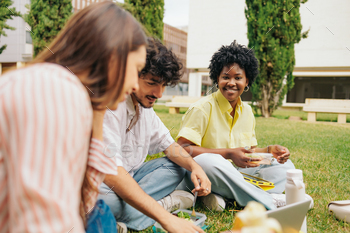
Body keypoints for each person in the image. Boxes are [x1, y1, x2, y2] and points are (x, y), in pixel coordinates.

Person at [0, 2, 146, 232]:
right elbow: (43, 225)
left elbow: (83, 204)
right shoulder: (58, 91)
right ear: (113, 54)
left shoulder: (71, 93)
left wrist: (99, 108)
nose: (136, 84)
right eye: (136, 69)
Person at [98, 38, 211, 233]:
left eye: (164, 85)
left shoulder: (144, 107)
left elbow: (169, 145)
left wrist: (195, 167)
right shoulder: (110, 104)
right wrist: (165, 218)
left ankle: (129, 213)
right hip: (102, 185)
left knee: (178, 166)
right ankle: (163, 205)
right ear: (132, 76)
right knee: (103, 203)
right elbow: (111, 174)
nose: (158, 93)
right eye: (152, 83)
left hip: (131, 180)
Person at [176, 40, 297, 211]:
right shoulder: (202, 108)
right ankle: (267, 201)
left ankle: (224, 198)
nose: (231, 83)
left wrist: (269, 151)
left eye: (238, 78)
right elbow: (182, 150)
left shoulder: (247, 111)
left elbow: (248, 153)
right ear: (217, 79)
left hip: (233, 175)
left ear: (247, 81)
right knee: (209, 161)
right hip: (203, 173)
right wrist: (228, 154)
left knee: (284, 166)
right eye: (226, 77)